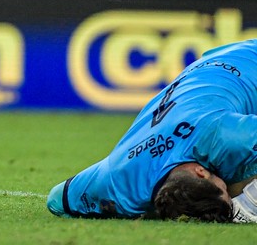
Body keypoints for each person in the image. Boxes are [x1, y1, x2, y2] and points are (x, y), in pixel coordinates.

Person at [47, 39, 257, 222]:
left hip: (249, 60)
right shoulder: (116, 181)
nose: (229, 198)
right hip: (209, 71)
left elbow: (56, 201)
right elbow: (56, 199)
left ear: (200, 173)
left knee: (237, 182)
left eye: (222, 191)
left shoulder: (223, 135)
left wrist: (249, 202)